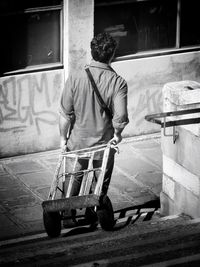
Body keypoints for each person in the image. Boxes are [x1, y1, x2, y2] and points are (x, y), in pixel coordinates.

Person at [59, 32, 129, 226]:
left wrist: (63, 140)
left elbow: (65, 114)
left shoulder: (75, 77)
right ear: (112, 54)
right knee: (100, 179)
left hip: (77, 141)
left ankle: (66, 215)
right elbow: (120, 116)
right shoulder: (118, 82)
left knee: (73, 177)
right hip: (103, 143)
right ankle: (93, 211)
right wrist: (117, 135)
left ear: (91, 51)